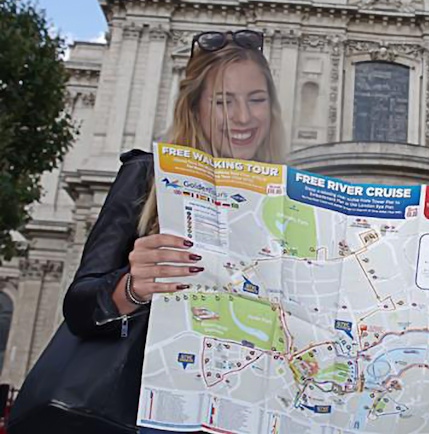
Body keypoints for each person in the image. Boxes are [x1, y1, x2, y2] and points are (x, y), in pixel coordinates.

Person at [61, 29, 285, 433]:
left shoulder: (287, 209)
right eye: (223, 101)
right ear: (194, 107)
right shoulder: (146, 178)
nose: (243, 117)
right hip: (153, 413)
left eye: (256, 100)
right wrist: (131, 288)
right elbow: (79, 307)